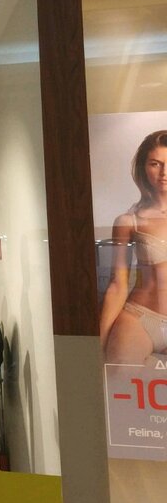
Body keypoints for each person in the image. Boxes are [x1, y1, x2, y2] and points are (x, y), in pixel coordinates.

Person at [101, 130, 167, 365]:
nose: (164, 172)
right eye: (155, 164)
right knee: (118, 378)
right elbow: (117, 284)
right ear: (143, 168)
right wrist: (100, 341)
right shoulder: (128, 221)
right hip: (140, 317)